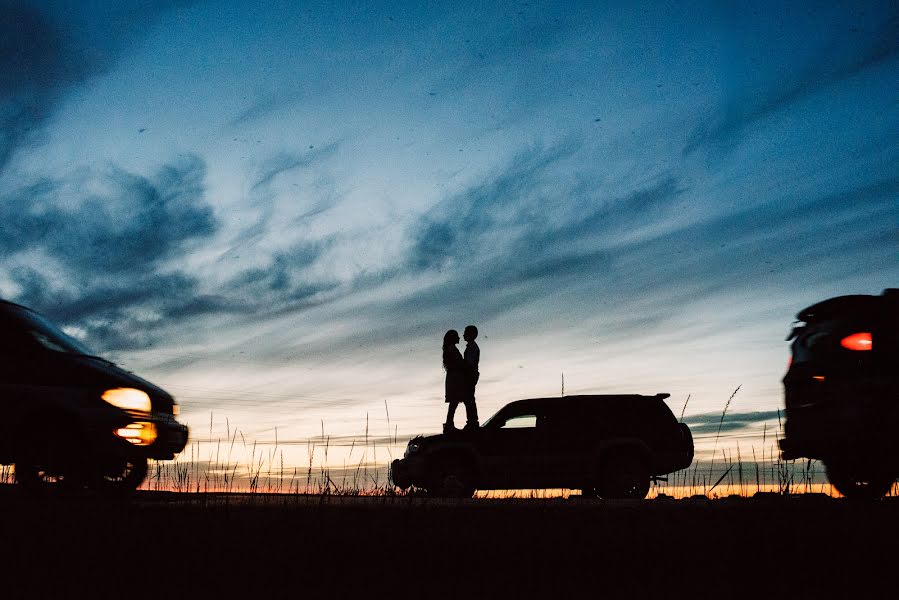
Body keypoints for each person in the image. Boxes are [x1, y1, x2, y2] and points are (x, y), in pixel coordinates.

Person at [442, 329, 478, 433]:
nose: (459, 337)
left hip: (455, 379)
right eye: (457, 336)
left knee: (455, 402)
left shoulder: (451, 349)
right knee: (455, 402)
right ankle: (450, 425)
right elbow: (458, 363)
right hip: (455, 379)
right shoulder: (452, 349)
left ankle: (450, 424)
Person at [463, 324, 480, 428]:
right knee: (469, 399)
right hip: (470, 375)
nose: (463, 335)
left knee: (469, 399)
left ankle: (472, 422)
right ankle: (472, 421)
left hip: (470, 375)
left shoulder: (472, 347)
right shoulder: (471, 346)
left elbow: (469, 363)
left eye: (465, 332)